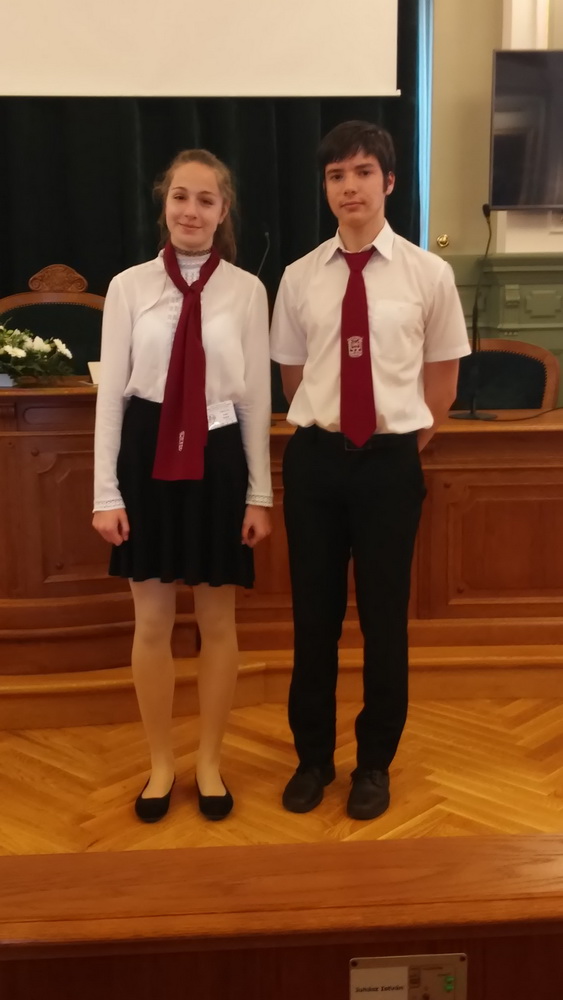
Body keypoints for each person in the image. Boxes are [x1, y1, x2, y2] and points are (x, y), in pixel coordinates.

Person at [270, 121, 470, 821]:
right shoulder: (299, 277)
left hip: (389, 465)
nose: (348, 187)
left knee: (385, 622)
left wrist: (398, 444)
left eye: (361, 173)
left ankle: (374, 764)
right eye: (335, 176)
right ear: (325, 188)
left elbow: (440, 383)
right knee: (313, 619)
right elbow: (294, 377)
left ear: (387, 181)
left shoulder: (427, 274)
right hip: (316, 464)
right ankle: (313, 759)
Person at [93, 149, 272, 823]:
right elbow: (111, 396)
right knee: (152, 621)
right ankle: (162, 763)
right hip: (145, 456)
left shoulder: (247, 291)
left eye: (205, 199)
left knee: (217, 623)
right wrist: (105, 493)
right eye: (179, 197)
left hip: (218, 456)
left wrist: (260, 494)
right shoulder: (128, 287)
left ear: (223, 212)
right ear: (163, 203)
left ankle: (209, 761)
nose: (190, 211)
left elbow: (255, 399)